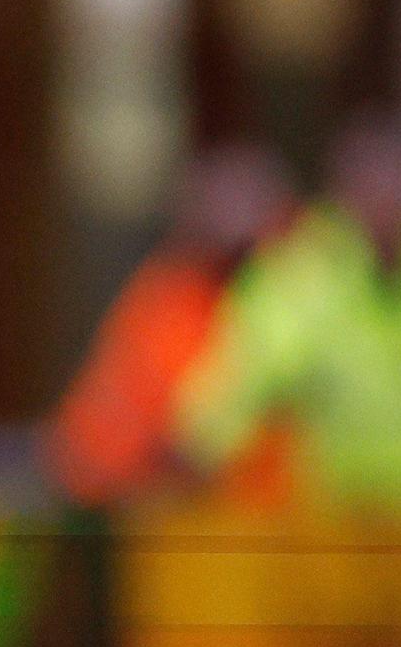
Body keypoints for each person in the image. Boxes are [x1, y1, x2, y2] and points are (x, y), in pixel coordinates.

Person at [178, 116, 401, 514]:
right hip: (343, 529)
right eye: (374, 182)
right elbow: (236, 388)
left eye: (400, 180)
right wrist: (192, 461)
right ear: (345, 190)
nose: (388, 198)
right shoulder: (303, 274)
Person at [48, 144, 295, 506]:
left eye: (251, 205)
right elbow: (103, 438)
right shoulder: (169, 300)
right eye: (226, 204)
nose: (239, 221)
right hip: (173, 519)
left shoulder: (303, 296)